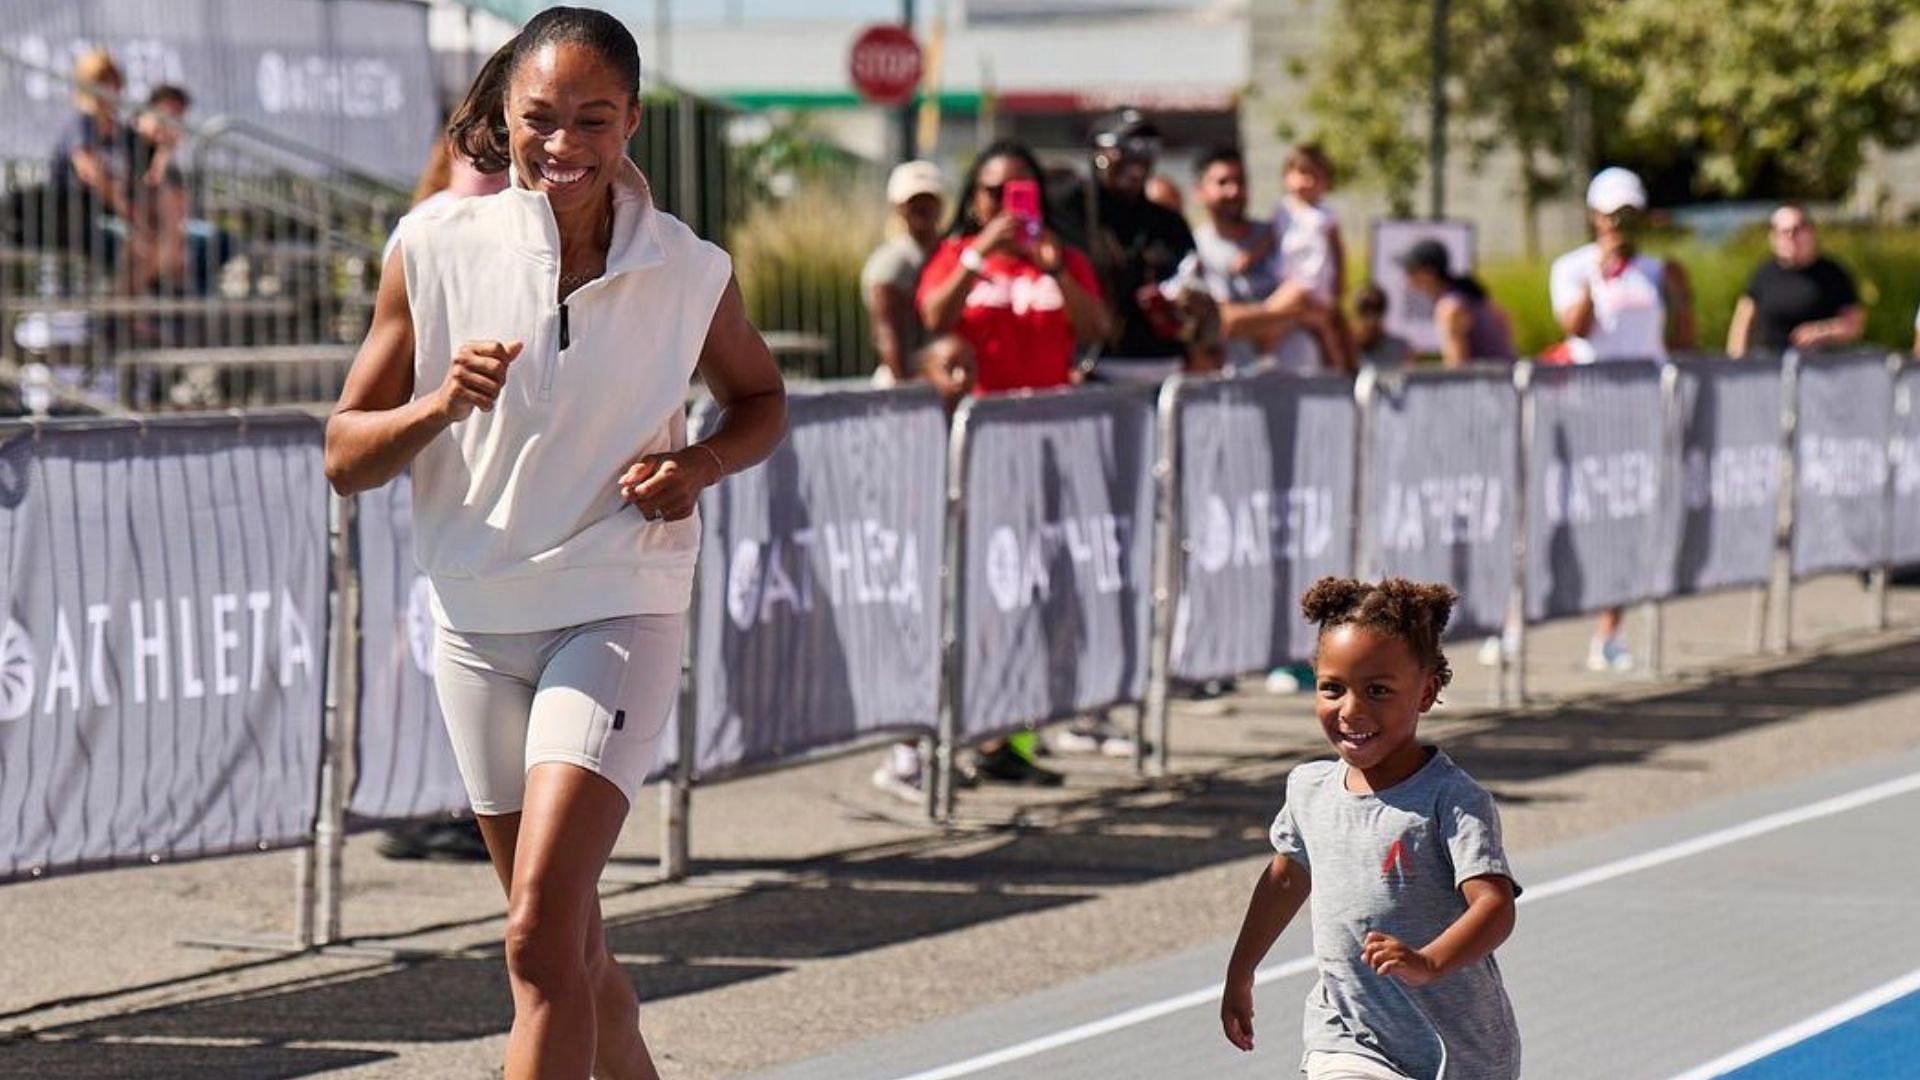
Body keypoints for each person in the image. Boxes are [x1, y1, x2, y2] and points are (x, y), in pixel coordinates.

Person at [324, 10, 787, 1079]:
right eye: (539, 119)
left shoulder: (688, 267)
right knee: (574, 949)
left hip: (615, 606)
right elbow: (346, 455)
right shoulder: (431, 245)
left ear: (631, 121)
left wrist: (699, 467)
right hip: (477, 626)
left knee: (536, 939)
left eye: (593, 119)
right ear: (500, 118)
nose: (564, 143)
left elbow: (758, 399)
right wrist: (438, 404)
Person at [1221, 577, 1521, 1080]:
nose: (1351, 710)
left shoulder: (1452, 800)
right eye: (1332, 688)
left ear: (1426, 692)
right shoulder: (1308, 789)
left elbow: (1494, 907)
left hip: (1460, 1051)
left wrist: (1427, 962)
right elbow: (1286, 877)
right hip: (1348, 1036)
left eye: (1378, 691)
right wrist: (1241, 970)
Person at [917, 138, 1112, 779]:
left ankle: (1015, 738)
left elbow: (1096, 329)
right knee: (977, 591)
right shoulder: (955, 256)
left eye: (1019, 192)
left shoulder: (1061, 258)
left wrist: (1053, 268)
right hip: (978, 450)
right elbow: (932, 315)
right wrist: (980, 254)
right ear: (973, 199)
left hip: (1049, 451)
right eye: (993, 192)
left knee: (1036, 592)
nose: (1006, 203)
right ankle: (966, 730)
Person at [376, 133, 511, 863]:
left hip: (493, 474)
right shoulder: (424, 233)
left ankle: (457, 799)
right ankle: (427, 796)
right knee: (427, 634)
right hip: (440, 467)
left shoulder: (531, 229)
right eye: (478, 153)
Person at [1547, 166, 1694, 672]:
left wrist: (1682, 295)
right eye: (1611, 215)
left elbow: (1682, 340)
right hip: (1586, 408)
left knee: (1626, 516)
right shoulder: (1573, 266)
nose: (1619, 225)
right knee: (1566, 515)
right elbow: (1575, 327)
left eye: (1628, 215)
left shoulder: (1656, 270)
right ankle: (1519, 625)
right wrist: (1600, 272)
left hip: (1642, 410)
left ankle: (1609, 631)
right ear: (1595, 217)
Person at [1053, 108, 1208, 384]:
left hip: (1166, 366)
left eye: (1149, 148)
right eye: (1124, 146)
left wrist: (1188, 301)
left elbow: (1196, 284)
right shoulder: (1070, 213)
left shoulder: (1167, 223)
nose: (1138, 157)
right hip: (1094, 369)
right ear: (1098, 152)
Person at [1182, 145, 1323, 375]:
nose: (1234, 191)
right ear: (1199, 191)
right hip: (1237, 384)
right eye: (1223, 183)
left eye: (1240, 181)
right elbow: (1224, 322)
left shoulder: (1278, 236)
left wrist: (1255, 320)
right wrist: (1294, 314)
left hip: (1299, 378)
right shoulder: (1195, 249)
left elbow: (1317, 298)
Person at [861, 159, 973, 404]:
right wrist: (910, 396)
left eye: (929, 198)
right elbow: (886, 334)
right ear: (898, 206)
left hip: (950, 382)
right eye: (913, 201)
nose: (922, 207)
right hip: (909, 387)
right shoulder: (892, 263)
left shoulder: (953, 254)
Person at [1236, 144, 1352, 372]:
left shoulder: (1325, 215)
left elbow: (1337, 251)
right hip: (1289, 276)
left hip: (1312, 282)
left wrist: (1340, 283)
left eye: (1314, 177)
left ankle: (1265, 354)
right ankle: (1338, 369)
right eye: (1301, 174)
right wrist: (1251, 257)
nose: (1306, 182)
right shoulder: (1283, 210)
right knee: (1312, 326)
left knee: (1270, 314)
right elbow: (1271, 239)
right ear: (1287, 177)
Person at [1726, 205, 1865, 358]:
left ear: (1811, 232)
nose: (1790, 237)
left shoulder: (1833, 273)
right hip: (1769, 367)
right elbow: (1742, 323)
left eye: (1797, 230)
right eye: (1783, 232)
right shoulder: (1763, 274)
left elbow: (1854, 325)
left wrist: (1821, 331)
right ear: (1773, 237)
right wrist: (1736, 364)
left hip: (1821, 368)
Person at [1398, 238, 1516, 366]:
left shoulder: (1450, 308)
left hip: (1488, 383)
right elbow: (1506, 325)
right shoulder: (1473, 298)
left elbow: (1457, 367)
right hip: (1504, 379)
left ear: (1428, 273)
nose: (1406, 279)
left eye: (1410, 271)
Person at [1352, 284, 1411, 373]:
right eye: (1365, 308)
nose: (1370, 316)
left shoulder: (1400, 347)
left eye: (1376, 308)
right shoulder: (1345, 347)